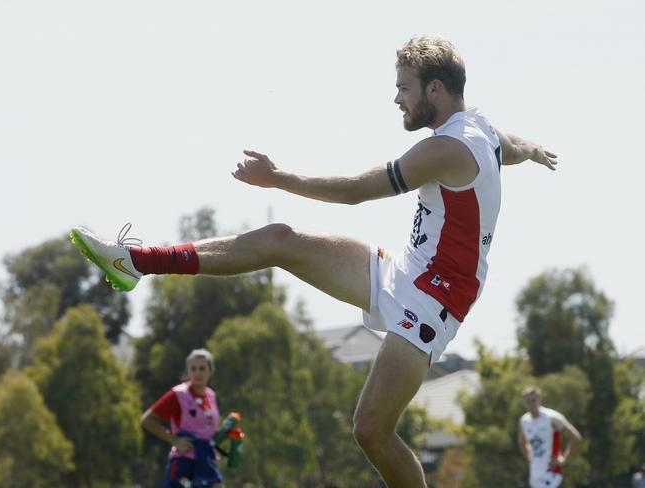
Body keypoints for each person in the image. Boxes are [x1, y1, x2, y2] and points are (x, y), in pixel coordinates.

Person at [71, 35, 557, 487]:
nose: (396, 99)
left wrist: (278, 177)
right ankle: (135, 262)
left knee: (371, 430)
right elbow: (509, 146)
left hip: (433, 302)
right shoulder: (480, 128)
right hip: (405, 270)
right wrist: (534, 149)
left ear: (435, 88)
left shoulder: (443, 148)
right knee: (280, 239)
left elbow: (353, 193)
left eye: (403, 88)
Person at [141, 349, 224, 488]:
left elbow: (209, 432)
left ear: (211, 370)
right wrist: (173, 439)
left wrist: (228, 433)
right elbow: (147, 420)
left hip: (207, 461)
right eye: (193, 369)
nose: (197, 372)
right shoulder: (178, 394)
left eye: (202, 368)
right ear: (188, 371)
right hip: (183, 462)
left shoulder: (212, 396)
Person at [518, 386, 582, 488]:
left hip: (551, 470)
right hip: (535, 472)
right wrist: (530, 458)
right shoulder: (524, 421)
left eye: (533, 400)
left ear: (540, 400)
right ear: (524, 402)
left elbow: (576, 438)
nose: (531, 403)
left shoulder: (552, 418)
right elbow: (522, 442)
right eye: (528, 401)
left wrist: (564, 459)